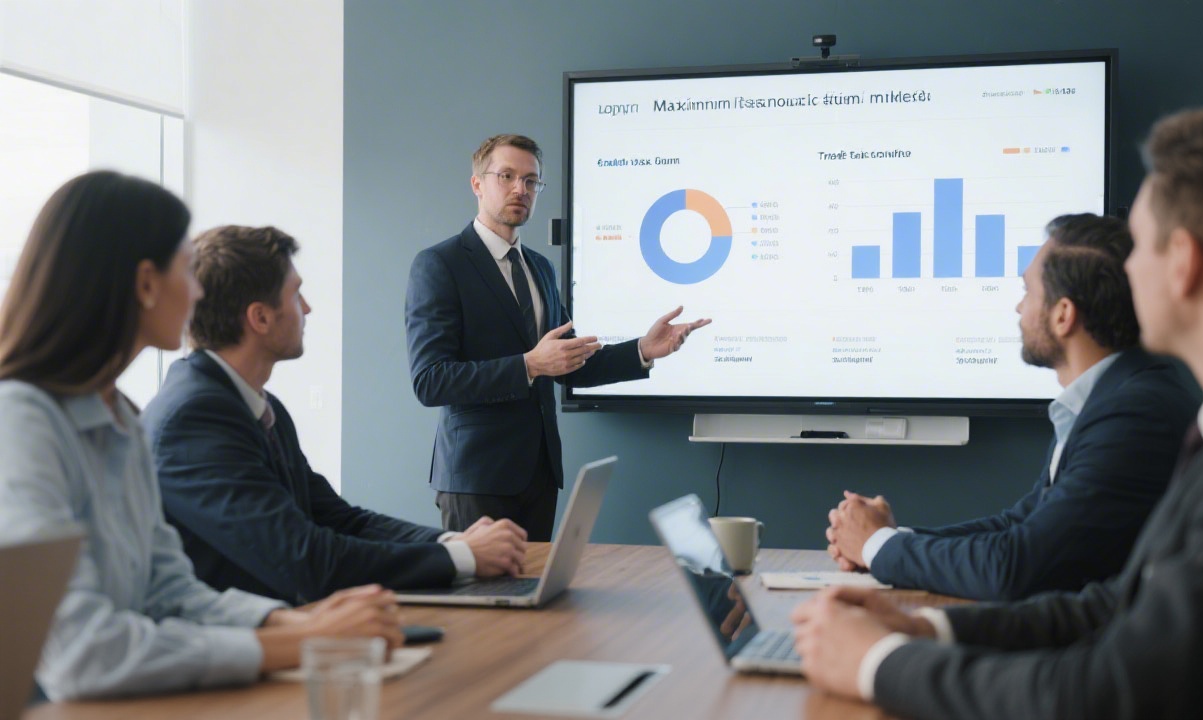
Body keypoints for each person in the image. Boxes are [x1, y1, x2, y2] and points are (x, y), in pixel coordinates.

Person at [792, 92, 1203, 718]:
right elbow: (1118, 604)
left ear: (1183, 263)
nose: (1125, 272)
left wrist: (875, 662)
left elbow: (1108, 690)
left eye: (1138, 248)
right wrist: (928, 630)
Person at [0, 172, 402, 701]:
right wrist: (304, 641)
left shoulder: (121, 415)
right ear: (146, 283)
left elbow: (169, 592)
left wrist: (288, 621)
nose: (198, 292)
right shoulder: (21, 420)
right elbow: (82, 653)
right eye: (188, 270)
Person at [142, 225, 527, 605]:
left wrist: (452, 541)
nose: (307, 308)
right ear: (259, 318)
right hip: (238, 651)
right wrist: (463, 558)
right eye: (296, 294)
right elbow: (307, 559)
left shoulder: (260, 406)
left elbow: (341, 519)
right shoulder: (194, 417)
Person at [825, 213, 1200, 601]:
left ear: (1063, 315)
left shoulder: (1133, 415)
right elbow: (1018, 525)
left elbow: (1015, 566)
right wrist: (885, 539)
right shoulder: (1109, 397)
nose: (1018, 308)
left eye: (1027, 291)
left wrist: (877, 544)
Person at [405, 134, 710, 540]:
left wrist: (641, 350)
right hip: (476, 478)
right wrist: (530, 365)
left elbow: (569, 364)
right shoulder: (439, 265)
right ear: (477, 184)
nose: (521, 189)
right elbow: (431, 381)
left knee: (537, 600)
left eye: (531, 181)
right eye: (508, 176)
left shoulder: (540, 268)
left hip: (540, 476)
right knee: (479, 601)